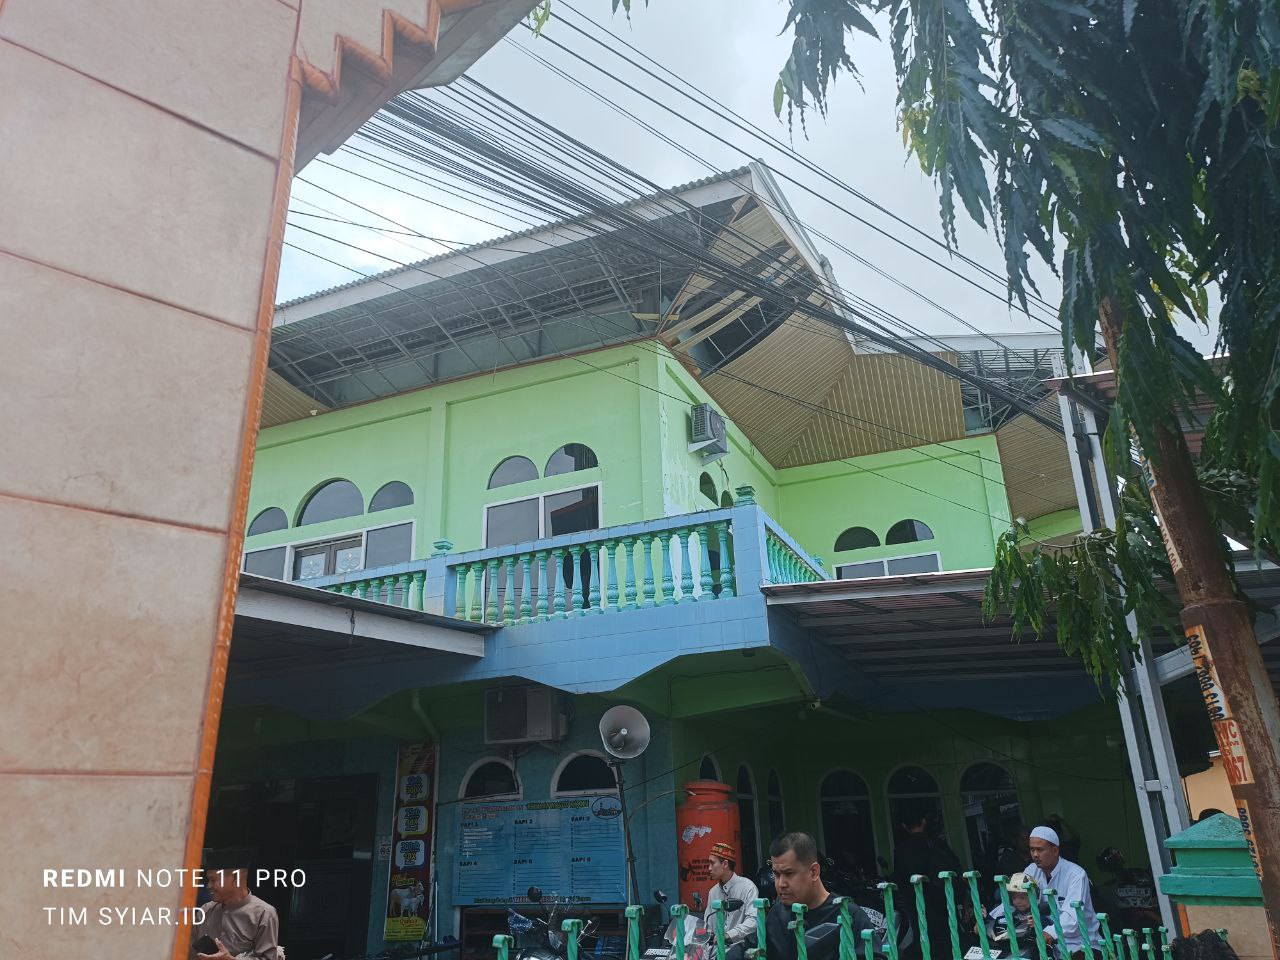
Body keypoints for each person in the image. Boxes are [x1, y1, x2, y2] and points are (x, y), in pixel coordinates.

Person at [763, 832, 877, 960]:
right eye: (777, 875)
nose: (781, 884)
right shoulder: (777, 915)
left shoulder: (849, 916)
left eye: (788, 873)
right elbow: (751, 948)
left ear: (814, 872)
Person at [892, 805, 962, 960]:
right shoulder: (936, 844)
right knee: (950, 944)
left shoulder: (901, 850)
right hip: (944, 903)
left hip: (918, 907)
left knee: (924, 945)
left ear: (904, 826)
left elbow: (900, 880)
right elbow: (955, 869)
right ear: (924, 822)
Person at [1025, 825, 1100, 960]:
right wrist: (991, 919)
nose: (1035, 854)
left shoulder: (1076, 874)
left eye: (1040, 850)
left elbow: (1072, 916)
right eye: (1032, 849)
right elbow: (1015, 897)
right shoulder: (1031, 871)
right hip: (1048, 944)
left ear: (1055, 850)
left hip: (1080, 944)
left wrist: (1049, 933)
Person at [191, 865, 280, 960]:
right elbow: (189, 953)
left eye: (213, 880)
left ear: (235, 877)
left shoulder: (264, 914)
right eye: (208, 880)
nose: (208, 886)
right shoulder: (205, 910)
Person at [704, 841, 760, 947]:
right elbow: (708, 925)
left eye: (712, 863)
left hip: (741, 950)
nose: (709, 868)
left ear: (725, 864)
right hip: (716, 950)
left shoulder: (748, 887)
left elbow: (754, 920)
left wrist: (729, 935)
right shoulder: (713, 892)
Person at [985, 873, 1052, 949]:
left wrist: (1037, 924)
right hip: (1010, 948)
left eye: (1022, 897)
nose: (1018, 901)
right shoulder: (1010, 914)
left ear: (1033, 896)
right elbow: (993, 924)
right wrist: (987, 925)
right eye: (1014, 898)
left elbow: (1047, 923)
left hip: (1033, 949)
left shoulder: (1039, 915)